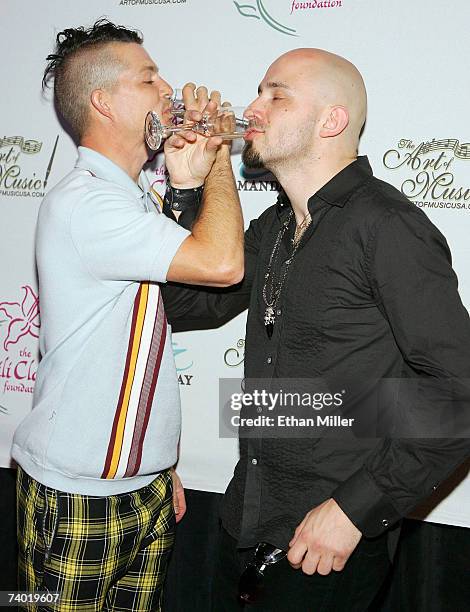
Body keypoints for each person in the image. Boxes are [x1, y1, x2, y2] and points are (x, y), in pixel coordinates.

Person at [160, 48, 470, 611]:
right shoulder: (274, 225)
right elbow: (179, 303)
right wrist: (185, 191)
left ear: (331, 121)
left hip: (329, 541)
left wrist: (356, 508)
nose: (252, 107)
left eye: (276, 95)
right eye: (258, 91)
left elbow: (458, 390)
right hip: (247, 520)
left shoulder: (388, 226)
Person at [11, 19, 243, 612]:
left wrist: (157, 466)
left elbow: (144, 330)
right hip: (78, 497)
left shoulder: (131, 193)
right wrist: (216, 153)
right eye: (148, 78)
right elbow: (221, 263)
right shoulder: (89, 202)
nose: (168, 89)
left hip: (142, 485)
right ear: (103, 102)